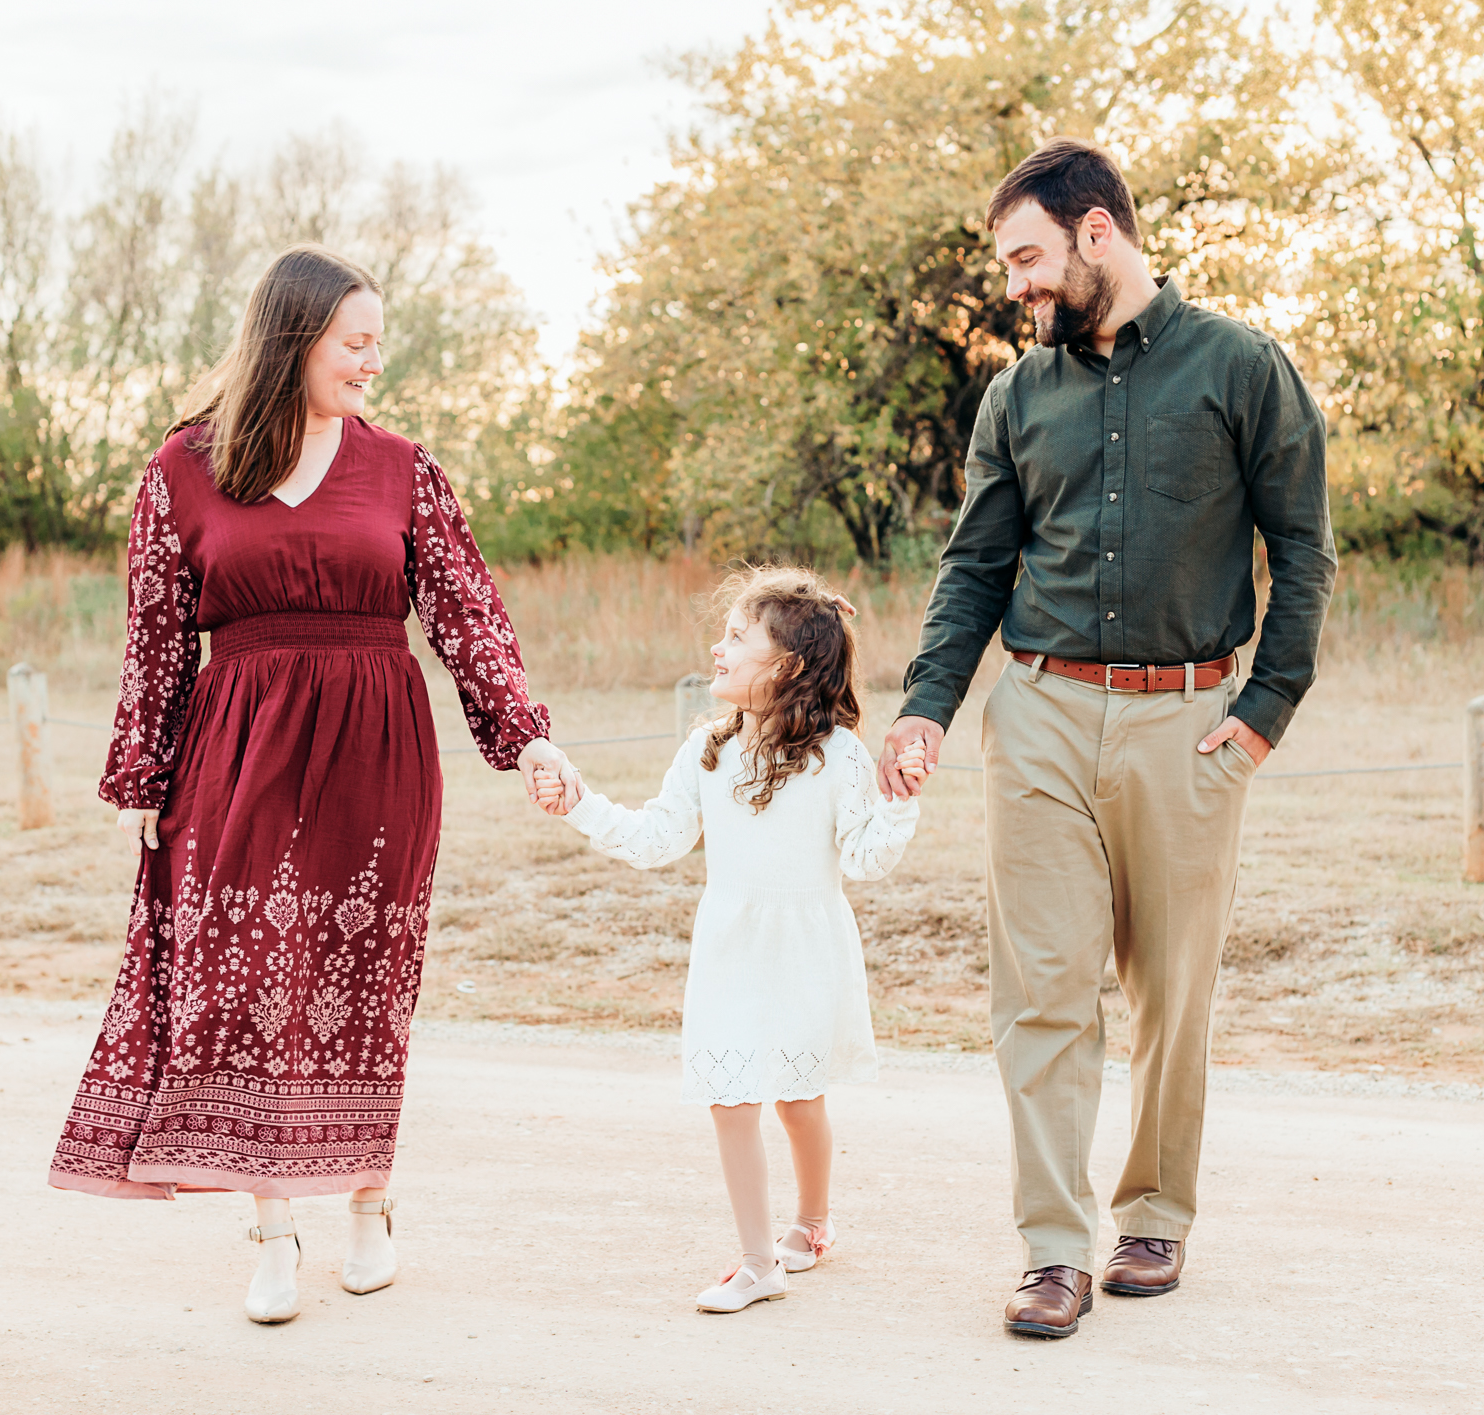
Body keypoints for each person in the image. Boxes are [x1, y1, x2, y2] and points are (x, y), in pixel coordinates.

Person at [46, 244, 582, 1325]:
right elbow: (154, 631)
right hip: (233, 753)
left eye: (377, 341)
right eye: (358, 341)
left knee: (363, 985)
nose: (374, 361)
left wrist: (526, 736)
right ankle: (272, 1226)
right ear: (295, 340)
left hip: (377, 755)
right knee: (254, 983)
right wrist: (141, 772)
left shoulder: (404, 469)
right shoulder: (183, 468)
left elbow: (467, 614)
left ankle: (369, 1204)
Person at [880, 138, 1335, 1339]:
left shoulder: (1242, 367)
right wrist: (929, 703)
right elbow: (975, 562)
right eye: (1007, 267)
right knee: (1041, 992)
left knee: (1171, 989)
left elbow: (1306, 550)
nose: (1016, 286)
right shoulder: (1016, 396)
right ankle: (1050, 1244)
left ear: (1097, 234)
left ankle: (1155, 1211)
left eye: (1028, 258)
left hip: (1191, 723)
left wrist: (1264, 711)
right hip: (1034, 711)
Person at [533, 568, 923, 1313]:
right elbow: (655, 838)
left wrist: (900, 802)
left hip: (807, 951)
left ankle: (813, 1222)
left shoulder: (837, 755)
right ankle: (756, 1261)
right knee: (729, 1098)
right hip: (730, 949)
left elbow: (868, 860)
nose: (717, 649)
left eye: (737, 637)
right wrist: (580, 803)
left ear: (786, 666)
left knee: (799, 1099)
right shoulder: (708, 749)